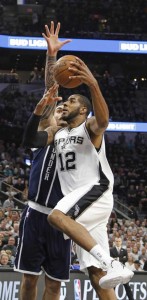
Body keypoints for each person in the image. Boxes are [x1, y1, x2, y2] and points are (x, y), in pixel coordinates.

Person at [25, 55, 133, 297]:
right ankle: (109, 265)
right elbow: (48, 100)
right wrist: (51, 60)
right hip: (81, 204)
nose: (66, 103)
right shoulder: (58, 132)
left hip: (96, 191)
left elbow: (104, 120)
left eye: (72, 100)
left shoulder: (89, 128)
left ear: (83, 109)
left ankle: (113, 262)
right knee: (98, 276)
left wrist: (93, 84)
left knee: (56, 216)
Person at [14, 22, 72, 300]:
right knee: (28, 281)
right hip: (36, 213)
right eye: (57, 108)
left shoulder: (78, 136)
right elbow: (53, 87)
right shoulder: (49, 130)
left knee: (54, 285)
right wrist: (51, 57)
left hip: (62, 218)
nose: (60, 109)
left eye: (65, 108)